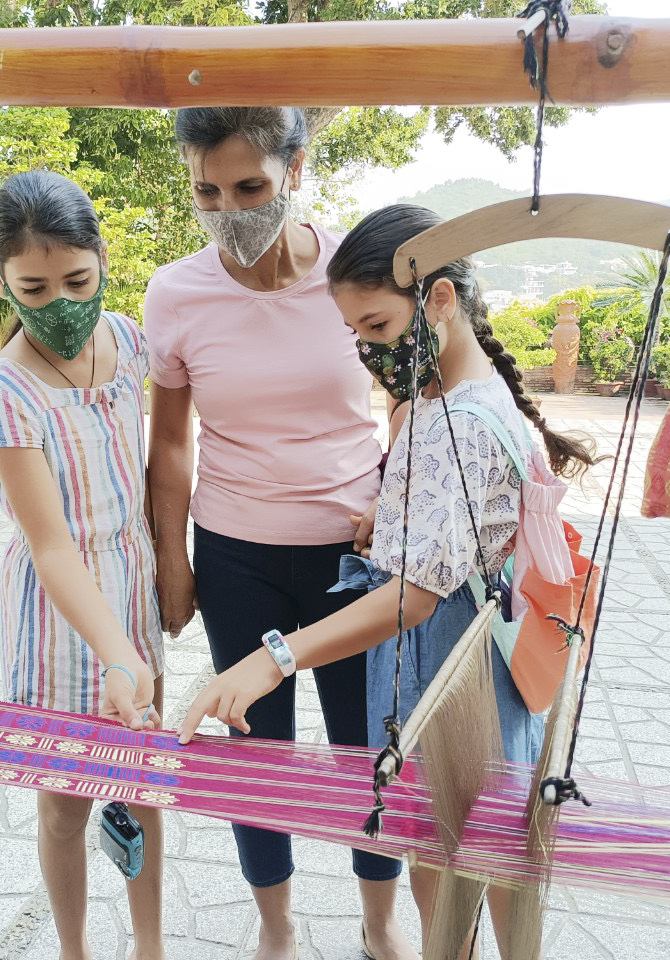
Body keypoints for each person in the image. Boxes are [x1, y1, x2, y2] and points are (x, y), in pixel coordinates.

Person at [176, 204, 598, 957]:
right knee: (487, 863)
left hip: (449, 680)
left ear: (437, 300)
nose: (369, 352)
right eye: (356, 335)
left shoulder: (457, 423)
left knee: (460, 873)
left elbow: (414, 597)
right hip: (481, 670)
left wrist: (272, 658)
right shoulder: (454, 399)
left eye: (375, 327)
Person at [144, 108, 415, 960]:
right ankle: (278, 928)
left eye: (250, 186)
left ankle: (378, 925)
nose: (230, 208)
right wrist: (172, 564)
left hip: (354, 557)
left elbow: (411, 386)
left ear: (295, 166)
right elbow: (169, 440)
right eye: (207, 191)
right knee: (255, 748)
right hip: (234, 555)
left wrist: (395, 494)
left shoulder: (353, 272)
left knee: (363, 749)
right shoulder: (176, 293)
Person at [0, 170, 165, 960]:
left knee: (142, 782)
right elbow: (50, 543)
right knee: (66, 801)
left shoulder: (128, 342)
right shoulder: (5, 392)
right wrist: (115, 650)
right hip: (57, 613)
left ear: (102, 259)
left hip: (131, 586)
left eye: (78, 281)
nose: (62, 305)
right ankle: (74, 951)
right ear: (1, 282)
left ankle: (150, 947)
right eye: (35, 289)